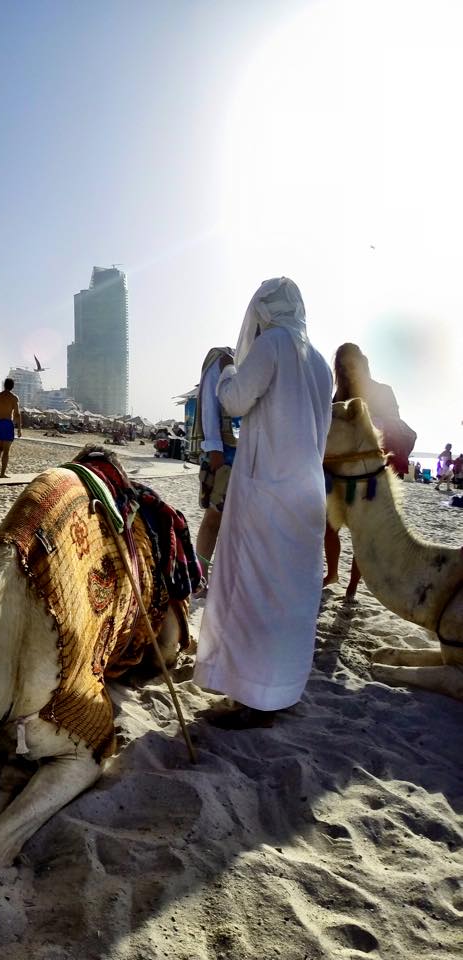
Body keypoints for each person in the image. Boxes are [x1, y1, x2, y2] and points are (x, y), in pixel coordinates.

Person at [194, 278, 333, 729]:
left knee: (255, 591)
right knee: (290, 598)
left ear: (264, 311)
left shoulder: (273, 344)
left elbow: (234, 403)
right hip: (307, 492)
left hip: (268, 491)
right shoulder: (319, 362)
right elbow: (320, 433)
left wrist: (229, 371)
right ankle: (280, 691)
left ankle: (253, 698)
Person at [323, 343, 416, 597]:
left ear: (362, 362)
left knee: (361, 530)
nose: (347, 370)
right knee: (329, 525)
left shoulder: (383, 391)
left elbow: (395, 425)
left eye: (350, 363)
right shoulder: (339, 395)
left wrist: (368, 421)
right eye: (341, 366)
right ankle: (332, 573)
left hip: (369, 472)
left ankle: (353, 585)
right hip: (338, 472)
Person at [190, 346, 238, 583]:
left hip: (248, 454)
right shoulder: (222, 358)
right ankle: (201, 577)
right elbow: (209, 404)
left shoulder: (259, 361)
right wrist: (216, 449)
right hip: (224, 453)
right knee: (214, 516)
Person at [0, 378, 22, 477]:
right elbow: (17, 414)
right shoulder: (14, 398)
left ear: (4, 385)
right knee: (6, 450)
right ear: (12, 386)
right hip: (7, 423)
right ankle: (2, 473)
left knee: (0, 447)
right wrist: (19, 429)